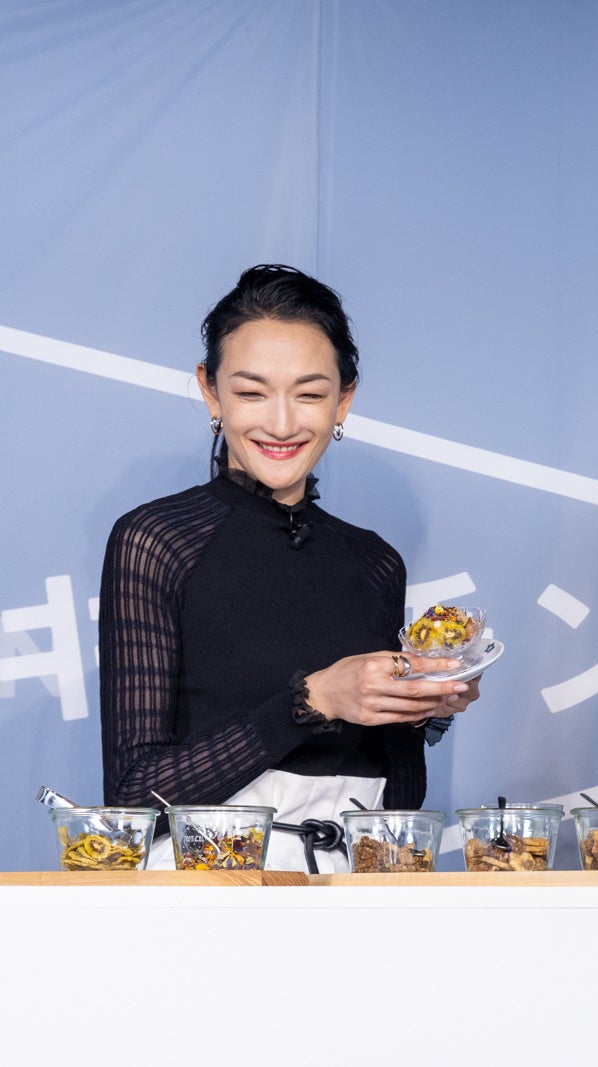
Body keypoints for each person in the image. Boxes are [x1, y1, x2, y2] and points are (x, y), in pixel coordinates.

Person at [98, 264, 479, 871]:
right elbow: (133, 796)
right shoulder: (157, 541)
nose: (280, 423)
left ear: (344, 400)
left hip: (357, 881)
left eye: (310, 394)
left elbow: (398, 792)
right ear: (210, 392)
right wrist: (314, 699)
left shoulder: (376, 562)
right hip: (209, 885)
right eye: (251, 393)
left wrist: (418, 708)